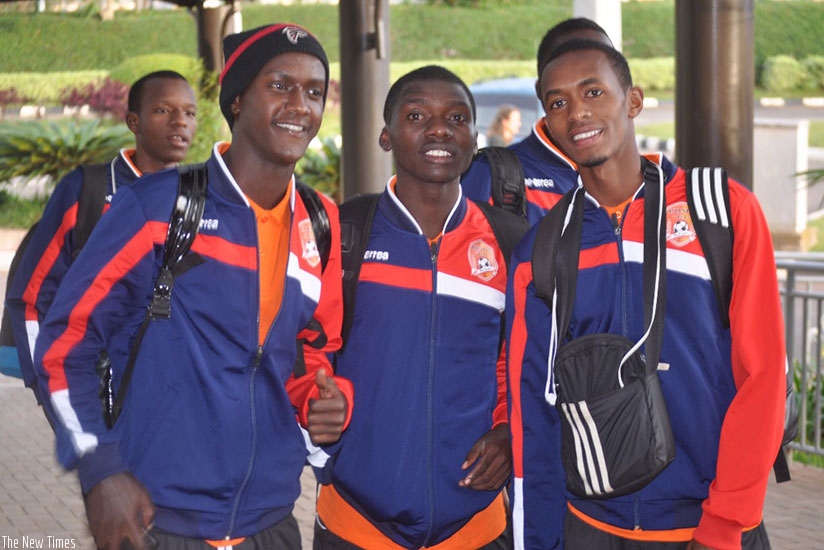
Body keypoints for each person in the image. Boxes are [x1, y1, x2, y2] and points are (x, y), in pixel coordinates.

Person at [33, 23, 352, 550]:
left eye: (314, 91)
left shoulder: (320, 221)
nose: (300, 104)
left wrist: (329, 400)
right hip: (159, 520)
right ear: (236, 100)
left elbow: (314, 351)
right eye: (279, 85)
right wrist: (99, 468)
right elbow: (67, 343)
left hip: (271, 522)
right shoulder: (158, 206)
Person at [507, 38, 785, 549]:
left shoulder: (720, 211)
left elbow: (764, 377)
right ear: (546, 123)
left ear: (632, 101)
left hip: (711, 527)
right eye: (558, 102)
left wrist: (724, 525)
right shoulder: (541, 249)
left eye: (593, 92)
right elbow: (534, 413)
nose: (577, 113)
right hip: (589, 528)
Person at [313, 65, 526, 549]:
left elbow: (523, 363)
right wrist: (321, 432)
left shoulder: (509, 241)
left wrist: (510, 430)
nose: (438, 129)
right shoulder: (343, 233)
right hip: (356, 523)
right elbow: (306, 347)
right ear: (386, 136)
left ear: (474, 139)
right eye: (416, 115)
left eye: (456, 117)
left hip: (474, 526)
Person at [4, 70, 198, 413]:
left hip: (176, 404)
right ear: (133, 121)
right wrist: (52, 391)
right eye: (163, 110)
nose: (180, 121)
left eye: (189, 113)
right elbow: (31, 298)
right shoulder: (87, 189)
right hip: (97, 397)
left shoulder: (200, 199)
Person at [461, 17, 614, 225]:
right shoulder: (490, 176)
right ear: (542, 90)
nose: (581, 111)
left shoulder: (653, 182)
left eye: (594, 90)